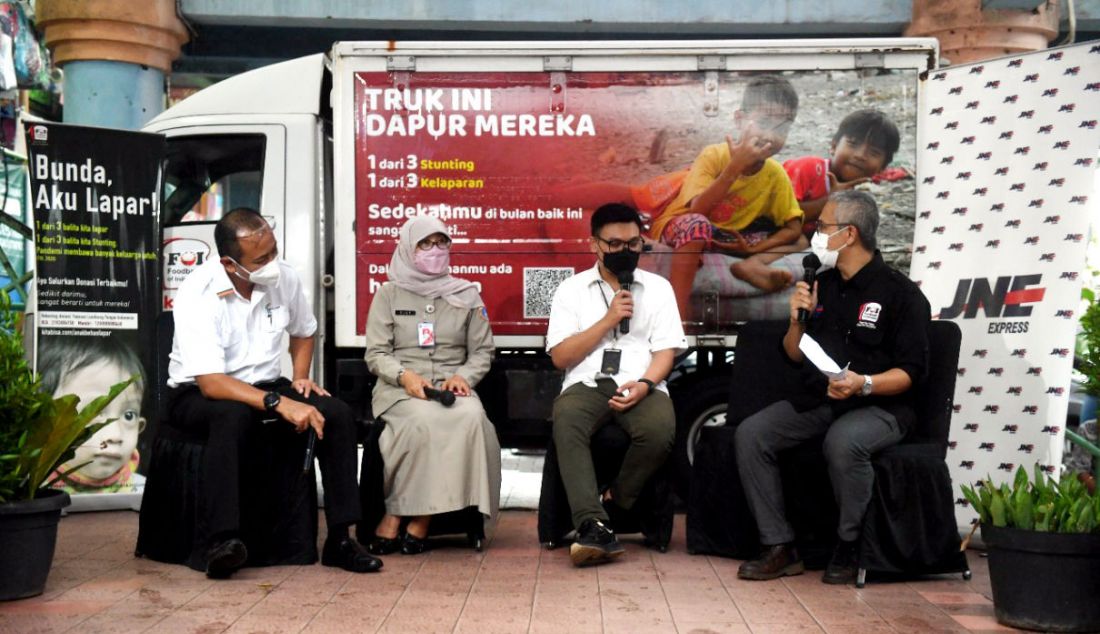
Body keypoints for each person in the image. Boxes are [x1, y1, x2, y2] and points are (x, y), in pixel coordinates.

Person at [165, 207, 381, 578]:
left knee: (338, 414)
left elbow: (304, 330)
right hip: (198, 393)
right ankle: (223, 541)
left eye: (274, 251)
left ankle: (341, 539)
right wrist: (278, 403)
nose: (272, 264)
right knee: (232, 417)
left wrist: (299, 378)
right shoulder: (197, 292)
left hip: (267, 384)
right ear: (231, 264)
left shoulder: (284, 278)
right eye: (261, 259)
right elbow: (211, 383)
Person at [734, 190, 930, 585]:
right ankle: (779, 546)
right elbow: (794, 355)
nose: (815, 235)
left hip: (881, 406)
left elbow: (911, 372)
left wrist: (864, 384)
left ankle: (850, 543)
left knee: (843, 442)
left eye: (822, 227)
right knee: (752, 434)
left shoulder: (902, 295)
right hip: (822, 398)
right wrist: (796, 321)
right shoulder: (821, 284)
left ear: (849, 234)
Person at [546, 203, 687, 567]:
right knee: (567, 419)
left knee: (659, 430)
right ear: (594, 244)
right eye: (614, 244)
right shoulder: (571, 290)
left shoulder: (658, 289)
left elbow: (665, 353)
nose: (625, 252)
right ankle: (590, 524)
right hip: (587, 380)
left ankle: (615, 502)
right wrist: (609, 318)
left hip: (640, 380)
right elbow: (561, 357)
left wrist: (644, 384)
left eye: (633, 243)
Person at [364, 215, 501, 555]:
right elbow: (376, 353)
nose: (434, 250)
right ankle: (406, 512)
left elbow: (483, 350)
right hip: (400, 388)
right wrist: (404, 376)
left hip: (451, 388)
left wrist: (463, 377)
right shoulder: (388, 293)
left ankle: (414, 517)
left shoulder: (467, 294)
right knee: (422, 423)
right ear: (409, 248)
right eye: (425, 244)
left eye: (441, 243)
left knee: (472, 420)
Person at [648, 75, 807, 312]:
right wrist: (735, 167)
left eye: (782, 128)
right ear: (739, 119)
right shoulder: (714, 155)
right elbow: (698, 209)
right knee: (698, 224)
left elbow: (793, 228)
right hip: (684, 229)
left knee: (802, 240)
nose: (771, 137)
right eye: (763, 123)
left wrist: (752, 250)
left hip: (727, 238)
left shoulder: (775, 174)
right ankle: (677, 316)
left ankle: (753, 265)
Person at [40, 335, 146, 494]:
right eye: (92, 410)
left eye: (129, 415)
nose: (115, 435)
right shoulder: (29, 492)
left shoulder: (143, 491)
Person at [783, 108, 901, 236]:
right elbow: (780, 215)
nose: (860, 155)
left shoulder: (856, 198)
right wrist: (830, 200)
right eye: (853, 144)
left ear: (882, 168)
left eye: (873, 153)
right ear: (834, 146)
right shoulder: (807, 168)